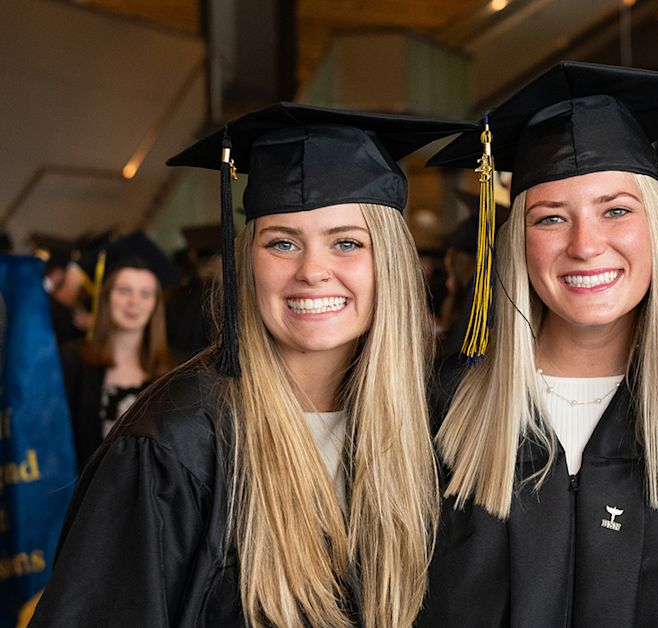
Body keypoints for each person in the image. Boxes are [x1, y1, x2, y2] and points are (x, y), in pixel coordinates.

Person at [31, 103, 472, 627]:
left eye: (347, 243)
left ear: (391, 265)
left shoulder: (434, 428)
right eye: (282, 243)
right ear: (247, 263)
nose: (313, 271)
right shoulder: (172, 446)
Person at [417, 62, 658, 627]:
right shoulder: (437, 411)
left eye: (615, 210)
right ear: (517, 242)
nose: (586, 246)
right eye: (551, 218)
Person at [59, 231, 178, 469]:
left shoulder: (177, 369)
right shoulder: (71, 361)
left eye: (145, 294)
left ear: (155, 304)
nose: (134, 302)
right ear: (106, 298)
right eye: (124, 291)